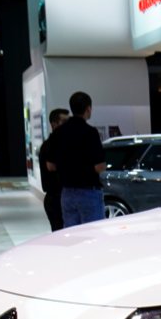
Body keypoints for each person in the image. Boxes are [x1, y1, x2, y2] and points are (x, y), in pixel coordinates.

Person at [46, 91, 106, 228]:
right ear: (88, 109)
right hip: (88, 192)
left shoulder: (58, 133)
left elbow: (50, 166)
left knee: (72, 233)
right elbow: (99, 166)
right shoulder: (90, 132)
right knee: (93, 232)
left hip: (66, 193)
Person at [37, 108, 70, 231]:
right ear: (54, 124)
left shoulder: (61, 143)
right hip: (56, 198)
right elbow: (51, 167)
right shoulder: (50, 145)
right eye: (64, 121)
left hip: (61, 196)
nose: (68, 125)